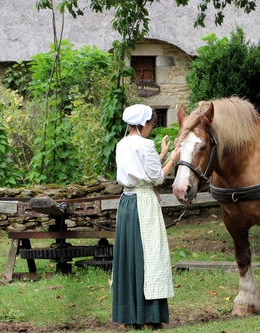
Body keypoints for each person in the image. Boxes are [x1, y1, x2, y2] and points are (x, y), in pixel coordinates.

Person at [112, 104, 180, 330]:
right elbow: (157, 177)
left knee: (131, 255)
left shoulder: (121, 144)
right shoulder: (145, 144)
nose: (152, 127)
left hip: (127, 202)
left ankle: (131, 314)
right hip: (143, 203)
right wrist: (174, 157)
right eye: (151, 123)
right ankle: (150, 315)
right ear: (142, 123)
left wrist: (161, 154)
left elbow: (140, 170)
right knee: (148, 256)